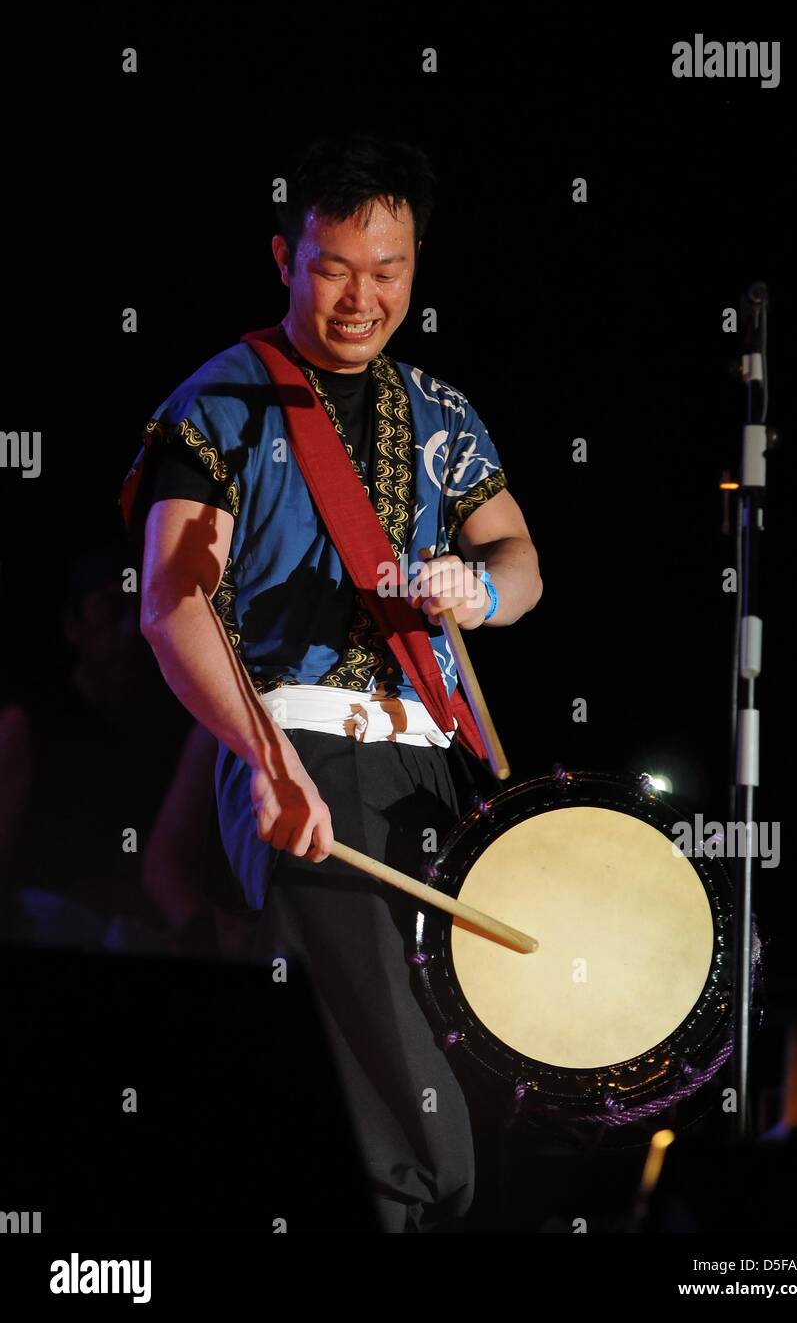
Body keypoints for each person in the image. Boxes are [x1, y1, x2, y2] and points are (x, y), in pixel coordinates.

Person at [119, 131, 543, 1232]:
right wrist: (267, 764)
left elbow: (520, 562)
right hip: (307, 757)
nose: (361, 295)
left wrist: (475, 593)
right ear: (284, 255)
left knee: (474, 1072)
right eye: (332, 266)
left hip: (437, 767)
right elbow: (174, 604)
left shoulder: (443, 413)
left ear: (415, 266)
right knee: (394, 1115)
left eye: (387, 269)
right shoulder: (218, 401)